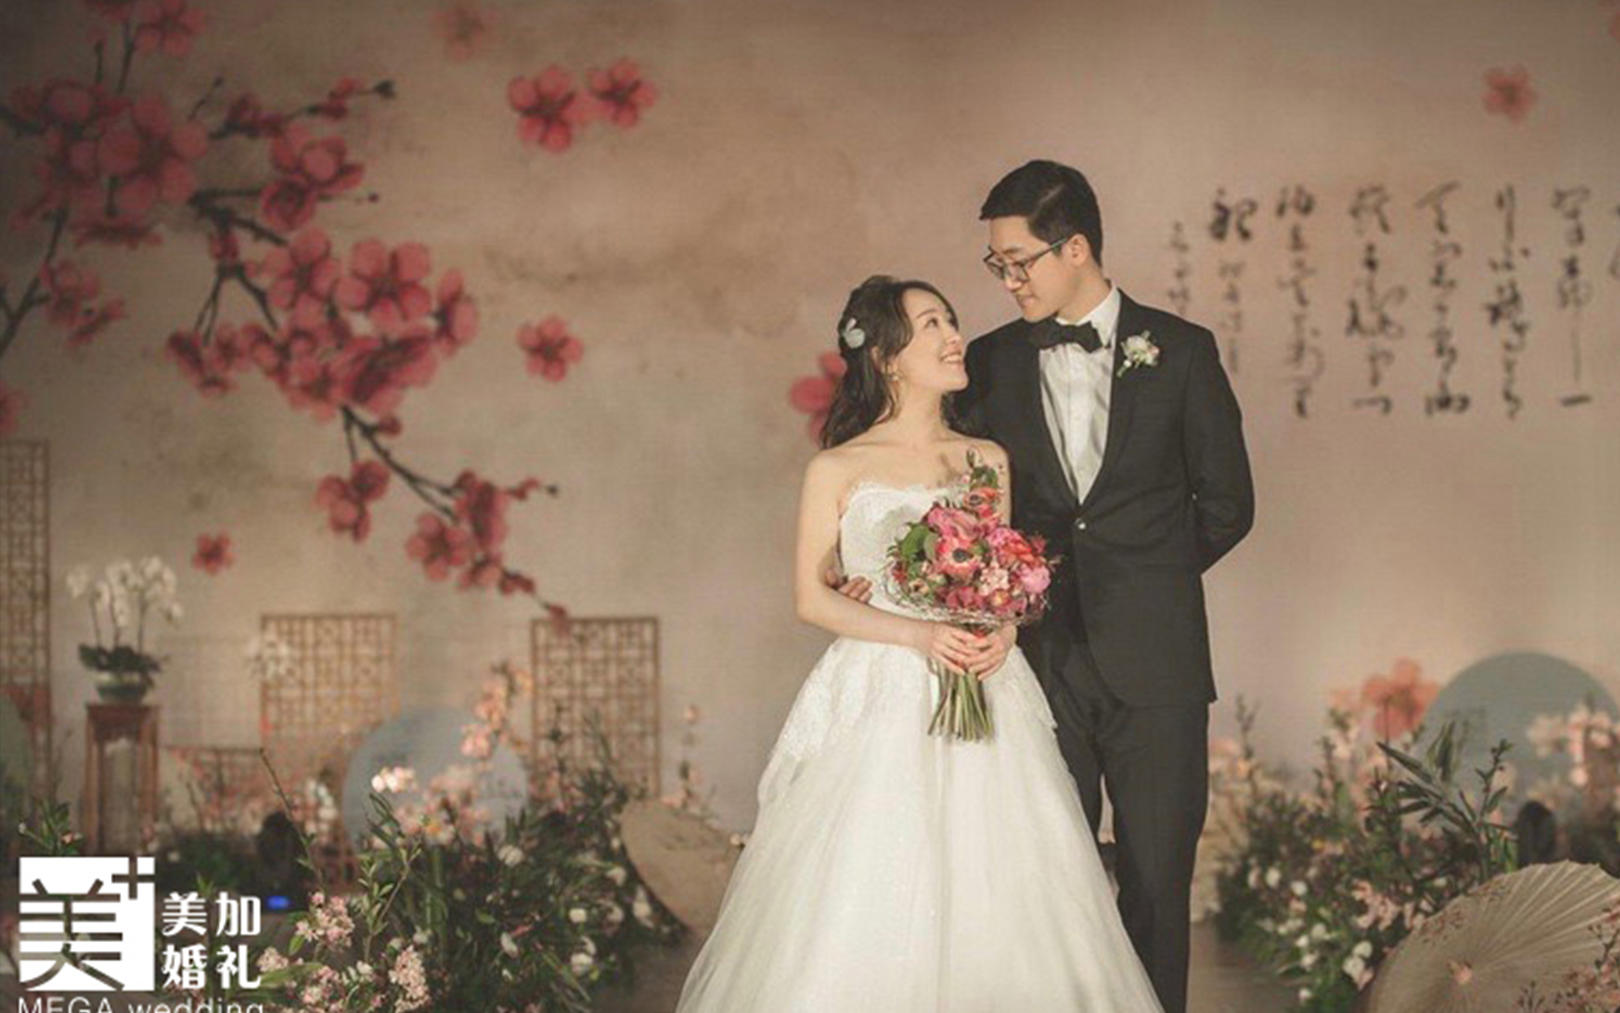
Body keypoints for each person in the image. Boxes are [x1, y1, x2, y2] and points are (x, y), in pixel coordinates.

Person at [675, 275, 1163, 1012]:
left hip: (983, 685)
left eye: (951, 320)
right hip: (886, 686)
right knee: (873, 879)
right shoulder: (837, 467)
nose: (953, 336)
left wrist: (1003, 630)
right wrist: (919, 634)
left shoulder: (985, 459)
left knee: (998, 877)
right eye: (932, 324)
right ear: (887, 357)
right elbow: (811, 597)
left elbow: (1001, 577)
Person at [954, 159, 1255, 1013]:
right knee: (1055, 882)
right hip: (1040, 658)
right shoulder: (989, 362)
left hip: (1158, 667)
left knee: (1157, 882)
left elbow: (1229, 504)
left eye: (1019, 261)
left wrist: (1145, 581)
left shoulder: (1183, 351)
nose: (1008, 280)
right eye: (997, 264)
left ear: (1076, 248)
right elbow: (965, 498)